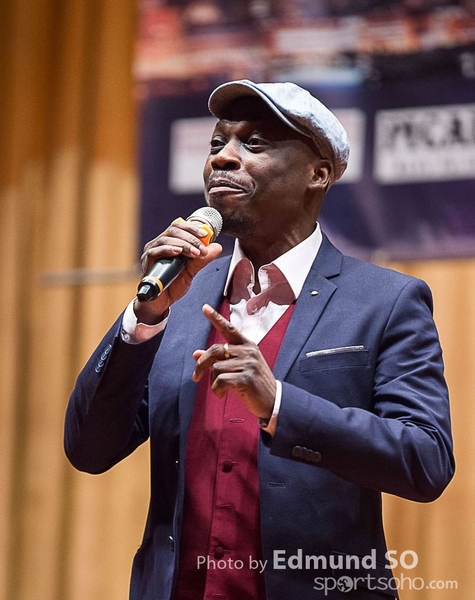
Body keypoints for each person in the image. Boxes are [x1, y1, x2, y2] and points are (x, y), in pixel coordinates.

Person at [64, 80, 454, 600]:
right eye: (217, 143)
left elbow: (425, 461)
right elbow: (89, 449)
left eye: (253, 143)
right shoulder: (181, 295)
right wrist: (144, 317)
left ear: (318, 173)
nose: (223, 157)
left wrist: (279, 405)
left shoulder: (385, 301)